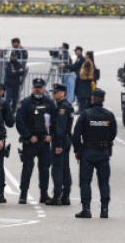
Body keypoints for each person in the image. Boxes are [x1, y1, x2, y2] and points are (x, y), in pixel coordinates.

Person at [72, 88, 117, 219]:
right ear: (103, 100)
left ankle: (86, 209)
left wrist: (77, 149)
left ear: (92, 99)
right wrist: (106, 143)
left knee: (86, 181)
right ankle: (104, 209)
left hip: (88, 152)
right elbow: (113, 134)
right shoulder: (109, 115)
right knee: (104, 182)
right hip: (103, 152)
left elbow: (76, 134)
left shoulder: (85, 115)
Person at [16, 78, 57, 204]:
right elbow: (20, 122)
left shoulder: (49, 102)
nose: (38, 89)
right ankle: (23, 195)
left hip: (44, 141)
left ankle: (44, 194)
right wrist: (28, 136)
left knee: (44, 169)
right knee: (27, 168)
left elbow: (55, 121)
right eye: (36, 87)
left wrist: (52, 135)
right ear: (32, 88)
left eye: (40, 87)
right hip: (30, 141)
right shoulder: (25, 103)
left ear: (44, 88)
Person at [46, 83, 74, 206]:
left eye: (56, 92)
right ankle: (66, 196)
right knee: (65, 169)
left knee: (58, 169)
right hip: (65, 141)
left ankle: (57, 195)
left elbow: (61, 128)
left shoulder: (62, 108)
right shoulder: (65, 106)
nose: (53, 94)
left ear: (62, 93)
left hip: (60, 141)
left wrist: (59, 145)